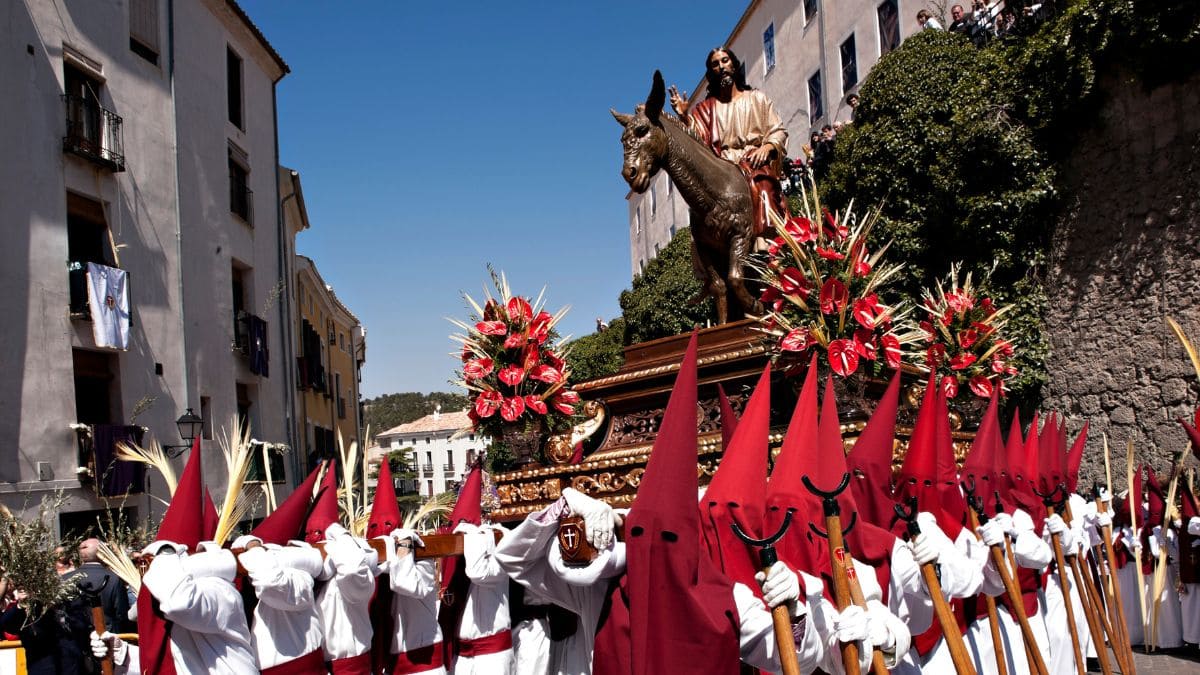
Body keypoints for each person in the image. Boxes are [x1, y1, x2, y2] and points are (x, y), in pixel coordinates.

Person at [668, 47, 788, 234]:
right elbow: (697, 144)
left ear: (734, 64)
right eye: (715, 64)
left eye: (725, 60)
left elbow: (778, 130)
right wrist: (685, 118)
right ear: (711, 72)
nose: (721, 66)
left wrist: (768, 146)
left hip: (754, 163)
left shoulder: (757, 99)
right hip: (723, 169)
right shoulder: (705, 109)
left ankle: (766, 242)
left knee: (763, 187)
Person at [77, 537, 133, 633]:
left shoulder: (65, 578)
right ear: (102, 554)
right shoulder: (114, 578)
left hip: (76, 637)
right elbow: (121, 613)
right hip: (107, 635)